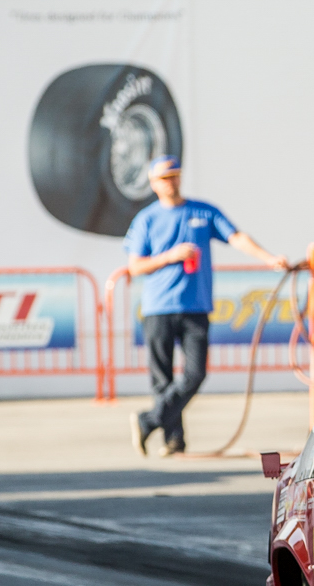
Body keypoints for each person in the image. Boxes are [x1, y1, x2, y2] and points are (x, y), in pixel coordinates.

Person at [124, 156, 286, 457]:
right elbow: (135, 266)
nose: (171, 182)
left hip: (195, 306)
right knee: (163, 378)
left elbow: (235, 236)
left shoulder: (202, 211)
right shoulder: (146, 219)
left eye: (174, 175)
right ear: (153, 184)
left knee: (195, 374)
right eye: (164, 178)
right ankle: (174, 440)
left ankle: (149, 420)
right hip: (158, 307)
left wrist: (267, 257)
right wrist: (170, 256)